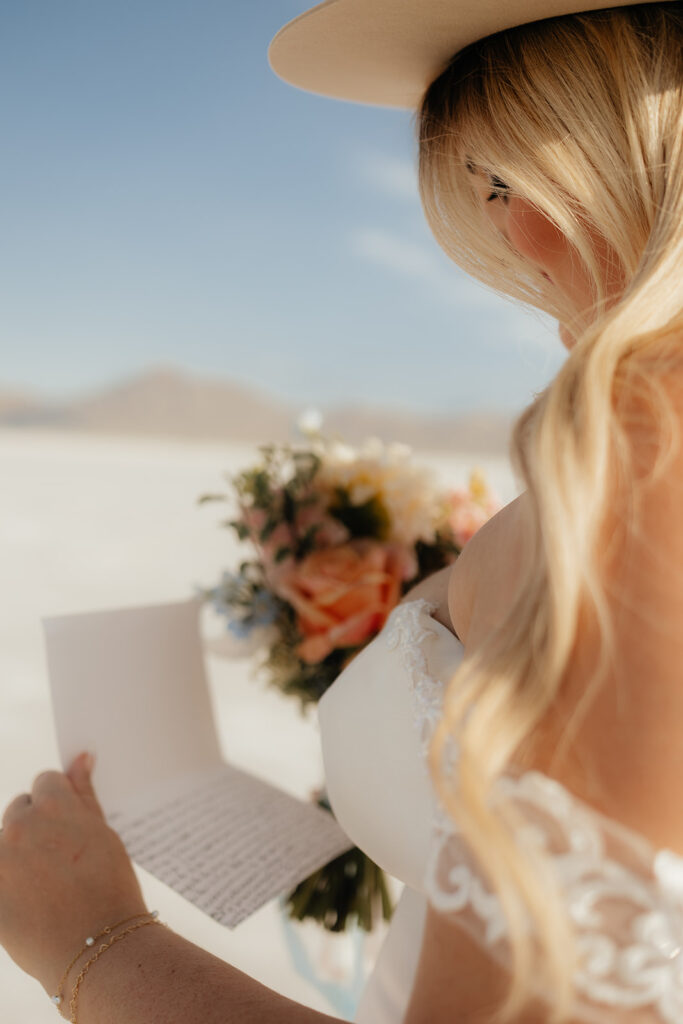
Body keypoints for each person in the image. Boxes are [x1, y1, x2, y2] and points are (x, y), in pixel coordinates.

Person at [1, 1, 682, 1022]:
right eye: (486, 190)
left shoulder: (640, 463)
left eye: (512, 180)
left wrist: (93, 941)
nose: (510, 233)